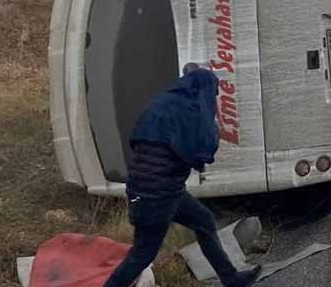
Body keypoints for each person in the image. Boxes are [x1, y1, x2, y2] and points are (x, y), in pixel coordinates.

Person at [103, 64, 260, 287]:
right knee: (142, 255)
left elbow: (137, 141)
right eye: (213, 94)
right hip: (157, 195)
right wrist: (213, 128)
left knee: (204, 221)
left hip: (156, 189)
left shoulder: (161, 104)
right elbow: (202, 150)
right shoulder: (188, 113)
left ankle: (232, 279)